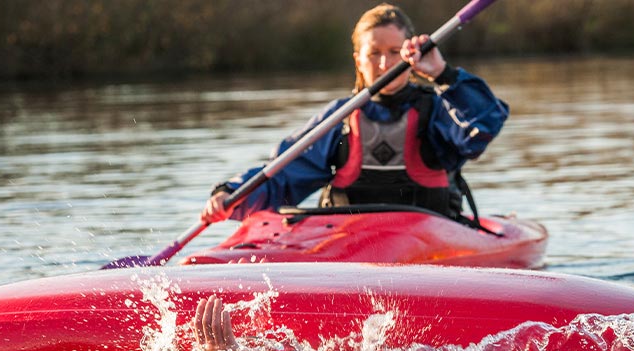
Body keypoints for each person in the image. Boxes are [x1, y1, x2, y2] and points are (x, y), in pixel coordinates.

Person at [201, 3, 509, 225]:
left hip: (429, 242)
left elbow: (485, 125)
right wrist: (231, 193)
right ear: (358, 60)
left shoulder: (439, 109)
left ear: (411, 55)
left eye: (394, 52)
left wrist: (442, 73)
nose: (385, 64)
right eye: (374, 53)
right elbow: (282, 177)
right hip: (348, 245)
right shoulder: (340, 119)